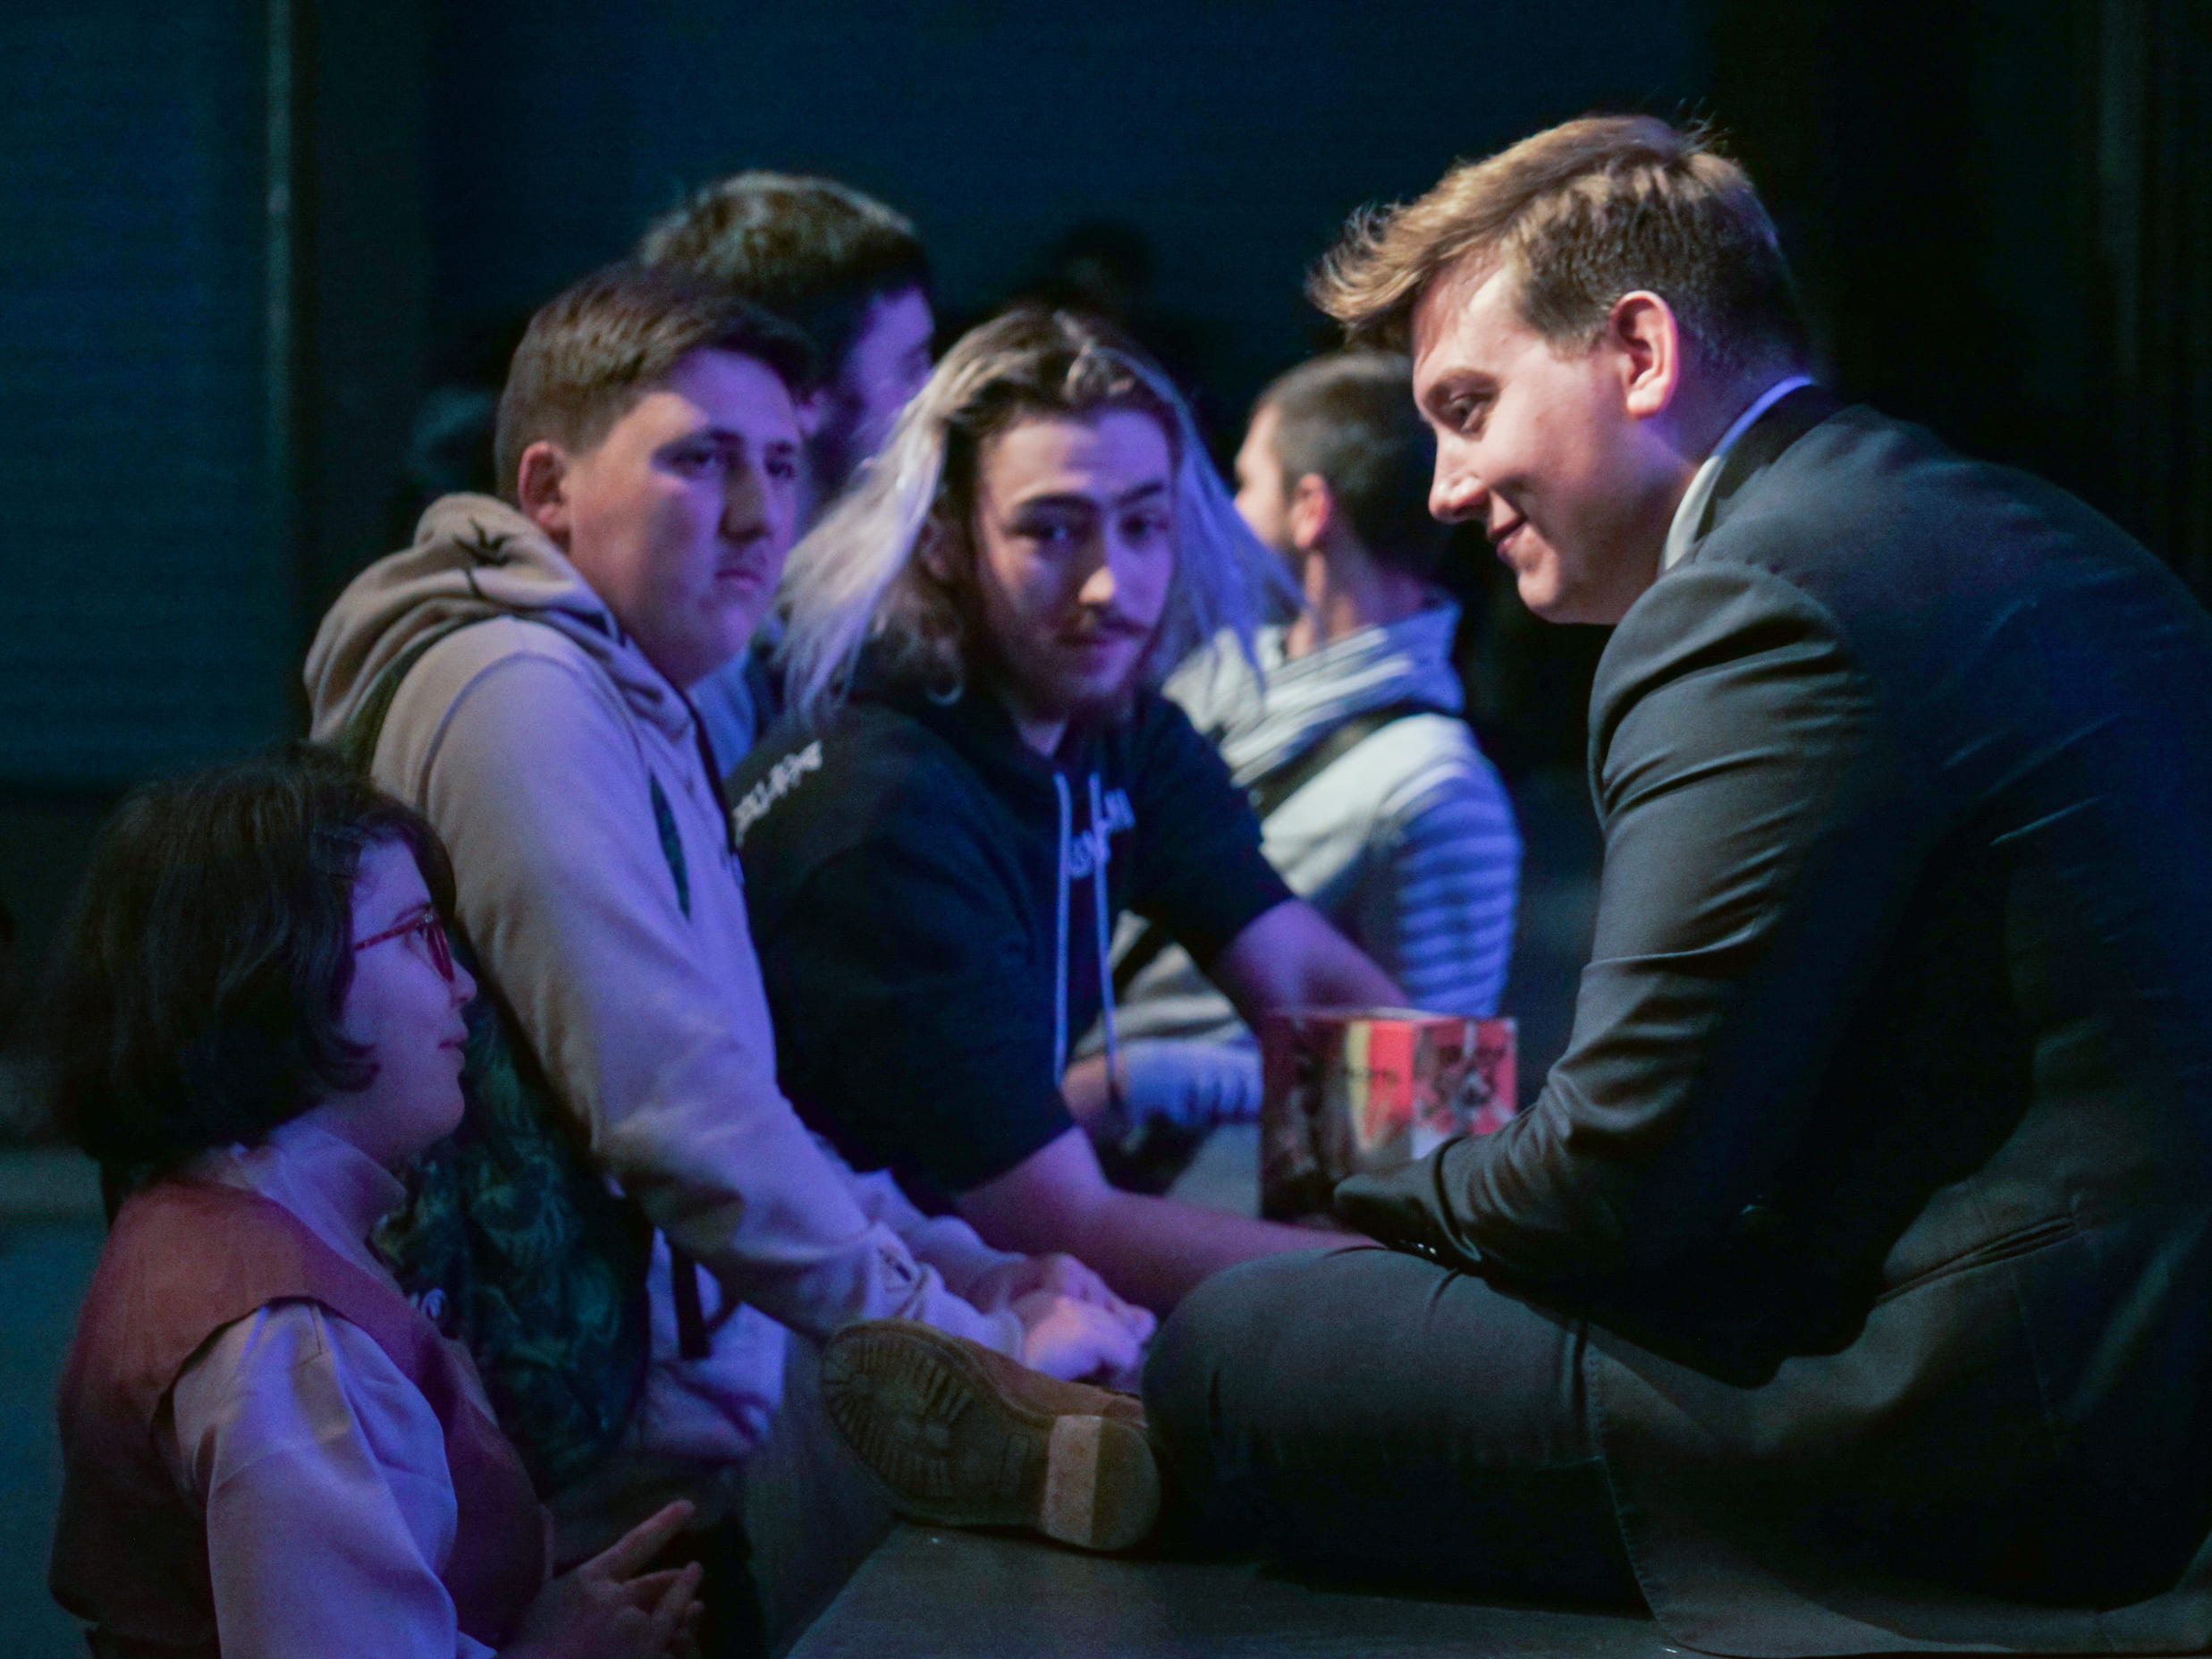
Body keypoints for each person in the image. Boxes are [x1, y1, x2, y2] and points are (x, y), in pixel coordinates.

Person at [815, 116, 2212, 1657]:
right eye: (1050, 528)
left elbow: (1606, 1185)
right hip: (2145, 1371)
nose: (1442, 487)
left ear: (1637, 351)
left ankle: (1160, 1440)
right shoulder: (2002, 522)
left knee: (1239, 1338)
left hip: (1991, 1397)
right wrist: (1434, 1184)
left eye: (1468, 409)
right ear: (944, 539)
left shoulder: (1747, 598)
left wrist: (1381, 1217)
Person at [303, 266, 1150, 1629]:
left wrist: (961, 1267)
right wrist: (973, 1347)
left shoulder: (632, 689)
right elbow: (674, 1109)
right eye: (699, 460)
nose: (761, 514)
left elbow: (731, 1095)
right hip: (556, 1537)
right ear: (547, 487)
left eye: (780, 462)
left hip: (629, 1486)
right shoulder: (518, 691)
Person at [730, 307, 1406, 1314]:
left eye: (1141, 526)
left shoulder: (1110, 722)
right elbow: (1058, 1220)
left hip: (981, 1277)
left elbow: (1314, 986)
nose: (1108, 585)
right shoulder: (881, 817)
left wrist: (1429, 1214)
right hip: (823, 1330)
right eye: (1050, 530)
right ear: (945, 541)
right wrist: (1406, 1291)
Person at [45, 752, 706, 1658]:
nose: (460, 985)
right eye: (418, 934)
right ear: (278, 972)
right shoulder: (283, 1346)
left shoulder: (199, 1215)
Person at [1065, 350, 1521, 1143]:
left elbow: (1430, 1105)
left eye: (1246, 483)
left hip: (1201, 1182)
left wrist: (1154, 1080)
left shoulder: (1441, 787)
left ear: (1312, 509)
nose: (1225, 514)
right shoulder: (1220, 675)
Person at [637, 174, 937, 766]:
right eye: (909, 369)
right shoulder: (703, 668)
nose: (933, 401)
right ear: (806, 392)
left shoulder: (821, 611)